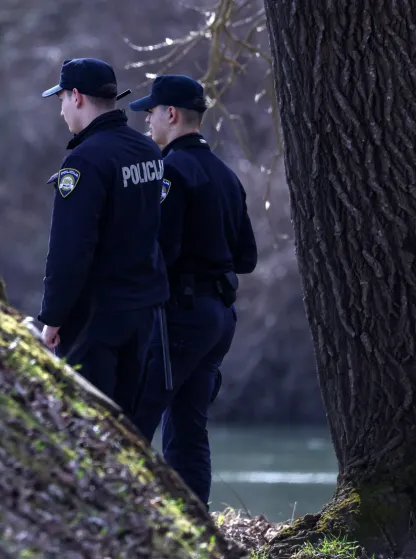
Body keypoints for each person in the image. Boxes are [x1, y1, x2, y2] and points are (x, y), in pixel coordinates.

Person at [125, 74, 258, 509]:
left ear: (171, 114)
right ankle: (195, 526)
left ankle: (128, 516)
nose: (147, 121)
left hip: (179, 317)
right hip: (219, 317)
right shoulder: (226, 176)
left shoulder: (169, 171)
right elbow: (247, 259)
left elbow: (162, 250)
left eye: (151, 112)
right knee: (187, 427)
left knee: (135, 417)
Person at [37, 57, 170, 406]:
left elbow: (71, 247)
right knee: (127, 425)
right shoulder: (147, 150)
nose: (62, 110)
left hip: (96, 316)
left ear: (76, 97)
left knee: (90, 420)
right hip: (143, 309)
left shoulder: (85, 160)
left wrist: (53, 317)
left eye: (61, 99)